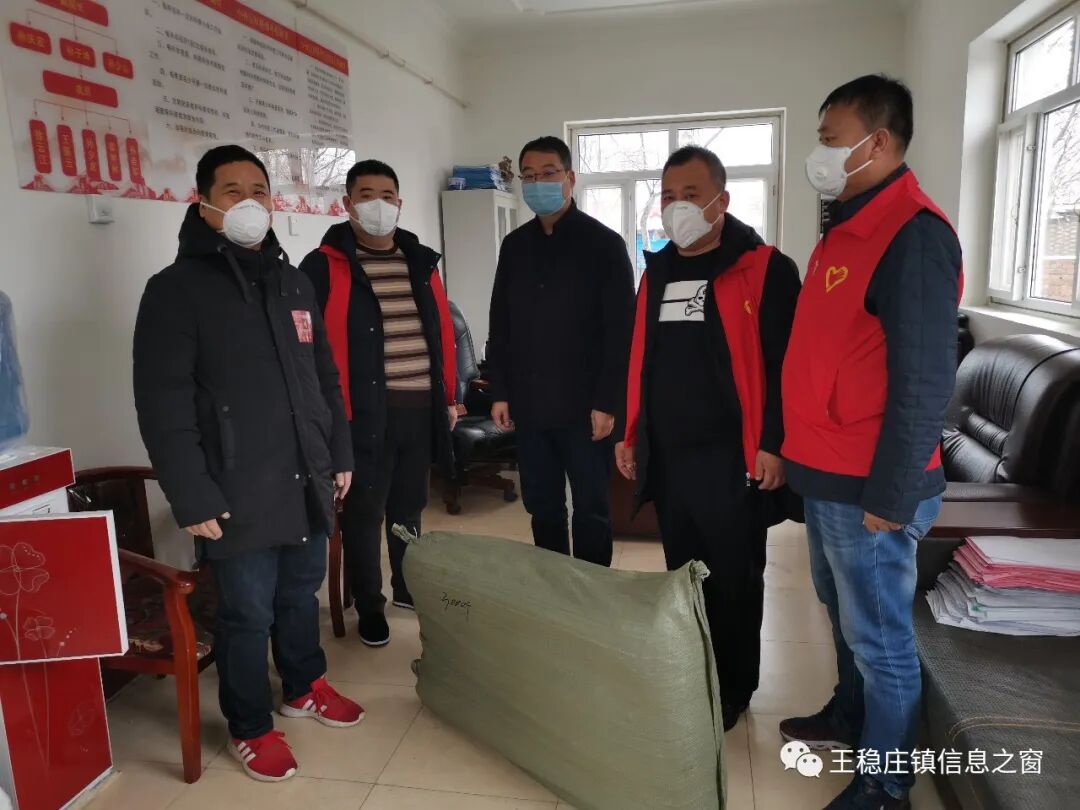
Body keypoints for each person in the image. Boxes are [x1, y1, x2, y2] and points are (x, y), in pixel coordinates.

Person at [133, 145, 363, 783]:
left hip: (306, 475)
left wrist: (339, 452)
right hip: (235, 486)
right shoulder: (175, 291)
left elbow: (324, 379)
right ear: (204, 203)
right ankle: (250, 725)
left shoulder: (292, 282)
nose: (249, 202)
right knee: (246, 613)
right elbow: (162, 404)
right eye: (232, 191)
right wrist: (191, 494)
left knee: (299, 595)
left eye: (258, 190)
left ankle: (303, 685)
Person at [780, 75, 963, 810]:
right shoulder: (848, 226)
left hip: (870, 486)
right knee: (843, 613)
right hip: (828, 472)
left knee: (882, 640)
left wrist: (892, 494)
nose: (820, 152)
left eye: (831, 139)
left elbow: (924, 379)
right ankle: (849, 715)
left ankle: (886, 785)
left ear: (877, 142)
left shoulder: (913, 235)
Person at [614, 146, 801, 731]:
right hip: (671, 457)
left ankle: (734, 687)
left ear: (722, 200)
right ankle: (696, 673)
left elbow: (786, 367)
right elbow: (641, 358)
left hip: (732, 459)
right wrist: (631, 431)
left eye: (690, 195)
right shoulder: (658, 271)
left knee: (734, 578)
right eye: (668, 196)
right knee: (685, 574)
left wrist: (774, 443)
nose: (677, 207)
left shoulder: (765, 268)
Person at [299, 159, 456, 647]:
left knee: (409, 506)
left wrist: (450, 397)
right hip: (360, 415)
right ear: (348, 204)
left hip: (419, 408)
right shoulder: (323, 265)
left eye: (387, 196)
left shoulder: (420, 260)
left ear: (399, 203)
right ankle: (370, 604)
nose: (378, 205)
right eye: (366, 196)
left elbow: (441, 332)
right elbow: (309, 347)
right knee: (364, 514)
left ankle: (407, 586)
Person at [487, 136, 634, 566]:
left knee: (592, 506)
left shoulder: (604, 245)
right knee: (542, 505)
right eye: (529, 176)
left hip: (585, 409)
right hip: (531, 406)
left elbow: (620, 332)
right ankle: (553, 586)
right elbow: (501, 323)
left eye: (548, 173)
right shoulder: (515, 246)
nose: (538, 183)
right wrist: (500, 390)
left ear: (570, 177)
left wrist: (608, 402)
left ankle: (590, 589)